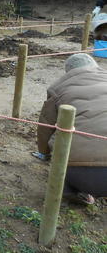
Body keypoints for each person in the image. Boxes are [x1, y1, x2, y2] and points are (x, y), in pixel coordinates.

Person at [34, 53, 107, 205]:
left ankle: (68, 192)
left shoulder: (58, 88)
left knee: (60, 144)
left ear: (68, 71)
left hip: (84, 175)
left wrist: (44, 153)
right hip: (92, 173)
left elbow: (45, 127)